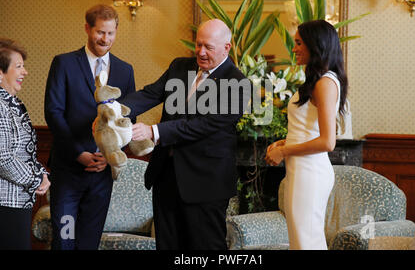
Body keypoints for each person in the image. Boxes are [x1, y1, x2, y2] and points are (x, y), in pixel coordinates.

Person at [120, 19, 250, 250]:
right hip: (166, 176)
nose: (200, 52)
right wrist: (113, 109)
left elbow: (203, 125)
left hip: (205, 182)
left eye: (208, 47)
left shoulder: (238, 83)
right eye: (198, 44)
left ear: (226, 48)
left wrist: (153, 131)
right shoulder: (180, 66)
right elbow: (150, 94)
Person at [44, 4, 136, 250]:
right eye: (100, 32)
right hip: (67, 172)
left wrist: (110, 156)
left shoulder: (125, 71)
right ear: (87, 28)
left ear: (116, 31)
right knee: (64, 241)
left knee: (88, 243)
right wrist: (79, 154)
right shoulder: (63, 63)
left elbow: (128, 120)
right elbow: (53, 113)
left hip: (101, 176)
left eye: (110, 33)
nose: (105, 39)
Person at [265, 20, 348, 250]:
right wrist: (283, 142)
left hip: (310, 171)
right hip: (300, 169)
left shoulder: (325, 83)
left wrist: (284, 151)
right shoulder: (317, 81)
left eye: (299, 43)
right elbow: (308, 129)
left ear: (316, 45)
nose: (294, 49)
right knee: (301, 241)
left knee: (306, 243)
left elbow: (327, 141)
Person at [0, 38, 50, 250]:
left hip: (18, 200)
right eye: (18, 67)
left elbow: (24, 153)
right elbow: (3, 158)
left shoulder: (14, 104)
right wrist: (36, 178)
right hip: (5, 202)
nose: (25, 72)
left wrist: (42, 173)